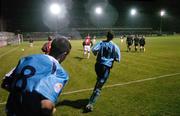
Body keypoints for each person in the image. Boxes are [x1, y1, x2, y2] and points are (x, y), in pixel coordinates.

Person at [1, 36, 71, 116]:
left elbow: (5, 84)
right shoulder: (59, 72)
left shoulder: (26, 59)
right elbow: (45, 106)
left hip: (11, 110)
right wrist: (51, 109)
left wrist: (22, 94)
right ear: (64, 54)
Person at [85, 31, 121, 112]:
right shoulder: (114, 46)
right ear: (113, 37)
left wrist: (96, 54)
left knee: (99, 80)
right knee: (100, 85)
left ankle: (95, 91)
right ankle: (90, 104)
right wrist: (112, 58)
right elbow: (118, 58)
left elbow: (93, 49)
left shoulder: (101, 43)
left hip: (97, 65)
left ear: (106, 36)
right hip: (106, 67)